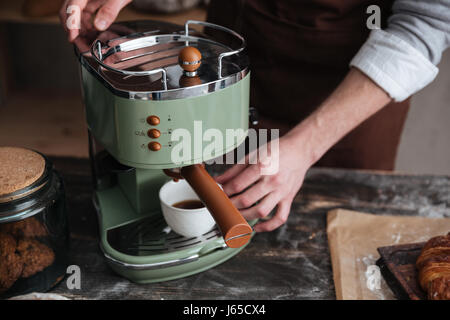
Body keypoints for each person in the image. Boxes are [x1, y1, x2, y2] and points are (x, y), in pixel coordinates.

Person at [60, 0, 450, 232]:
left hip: (343, 100)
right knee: (230, 182)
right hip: (227, 74)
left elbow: (427, 23)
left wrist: (306, 145)